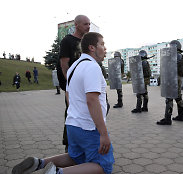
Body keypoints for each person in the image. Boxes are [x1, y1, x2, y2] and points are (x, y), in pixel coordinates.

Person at [12, 32, 114, 174]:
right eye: (102, 44)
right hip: (89, 127)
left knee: (76, 158)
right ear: (92, 47)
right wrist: (103, 133)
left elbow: (68, 94)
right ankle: (56, 173)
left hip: (73, 124)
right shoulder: (92, 67)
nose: (105, 48)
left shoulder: (74, 67)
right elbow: (92, 100)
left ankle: (39, 163)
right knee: (103, 167)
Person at [57, 15, 90, 152]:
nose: (88, 26)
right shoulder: (67, 41)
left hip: (87, 85)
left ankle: (85, 143)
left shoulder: (87, 42)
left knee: (88, 113)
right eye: (85, 24)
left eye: (89, 24)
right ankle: (69, 145)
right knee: (72, 113)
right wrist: (70, 87)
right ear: (77, 25)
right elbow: (64, 65)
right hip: (73, 86)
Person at [157, 40, 183, 125]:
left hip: (173, 77)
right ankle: (181, 116)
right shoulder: (180, 56)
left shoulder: (176, 55)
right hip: (177, 78)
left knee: (169, 97)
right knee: (178, 97)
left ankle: (167, 119)